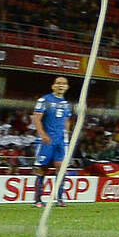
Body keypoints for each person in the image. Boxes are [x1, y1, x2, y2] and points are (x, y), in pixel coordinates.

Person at [31, 76, 71, 207]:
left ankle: (59, 198)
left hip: (61, 141)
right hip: (47, 140)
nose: (61, 85)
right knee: (43, 168)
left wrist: (67, 135)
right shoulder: (44, 100)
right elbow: (36, 119)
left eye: (64, 84)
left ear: (67, 87)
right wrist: (43, 135)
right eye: (58, 83)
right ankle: (37, 199)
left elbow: (66, 121)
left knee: (61, 168)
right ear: (53, 86)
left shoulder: (66, 104)